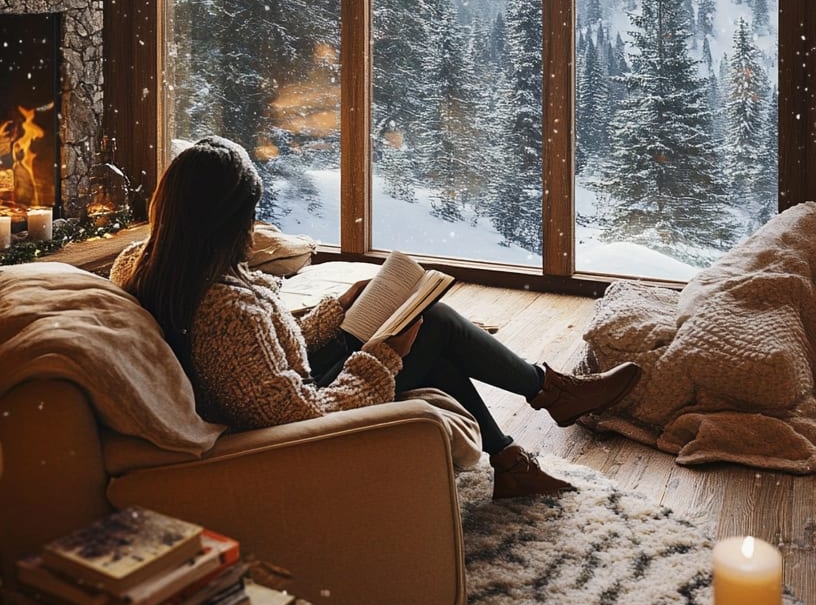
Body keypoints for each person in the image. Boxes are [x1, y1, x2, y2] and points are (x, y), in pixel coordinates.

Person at [111, 136, 640, 500]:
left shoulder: (155, 263)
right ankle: (547, 400)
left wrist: (340, 309)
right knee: (433, 329)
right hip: (302, 412)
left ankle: (522, 444)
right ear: (228, 220)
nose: (254, 227)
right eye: (251, 215)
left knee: (427, 326)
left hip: (290, 384)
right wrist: (384, 356)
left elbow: (266, 351)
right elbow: (302, 417)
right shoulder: (226, 310)